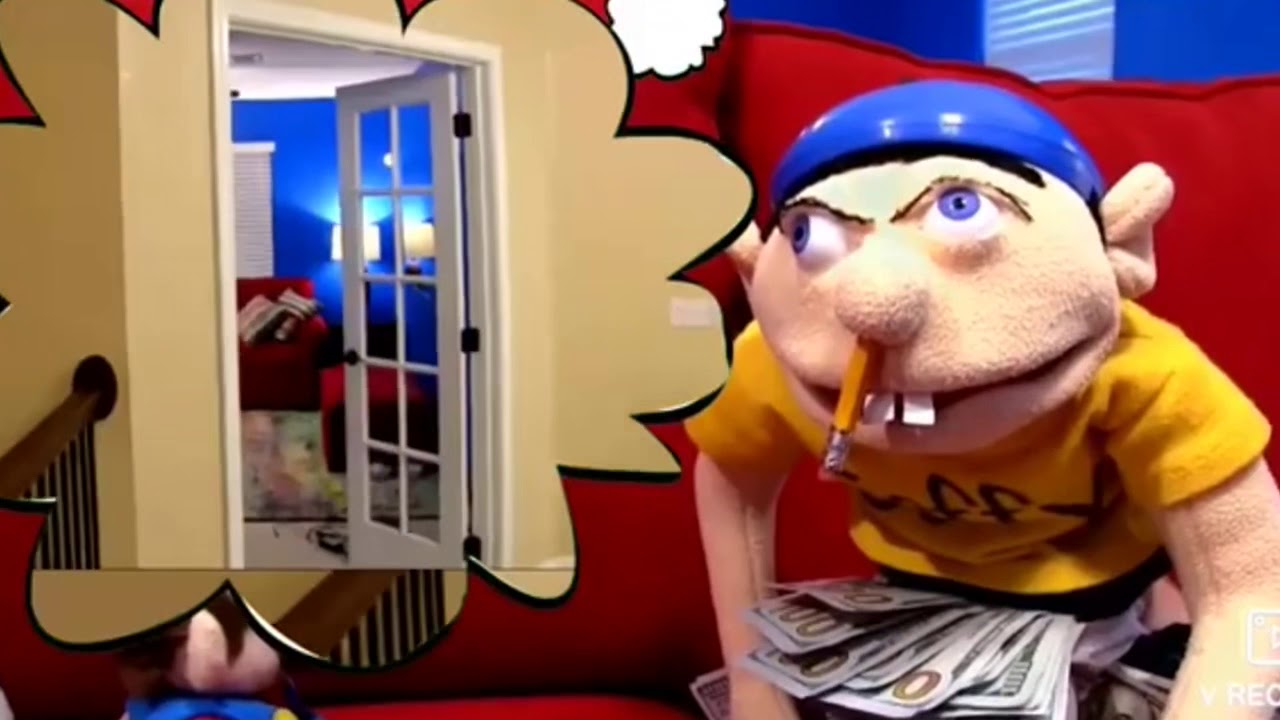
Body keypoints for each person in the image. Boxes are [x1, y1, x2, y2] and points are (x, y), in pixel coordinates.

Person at [686, 80, 1280, 720]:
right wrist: (756, 691)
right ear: (756, 269)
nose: (874, 302)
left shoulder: (1147, 376)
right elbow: (730, 478)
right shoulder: (776, 363)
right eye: (808, 234)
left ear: (1123, 249)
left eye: (962, 209)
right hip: (911, 601)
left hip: (1108, 603)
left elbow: (1254, 588)